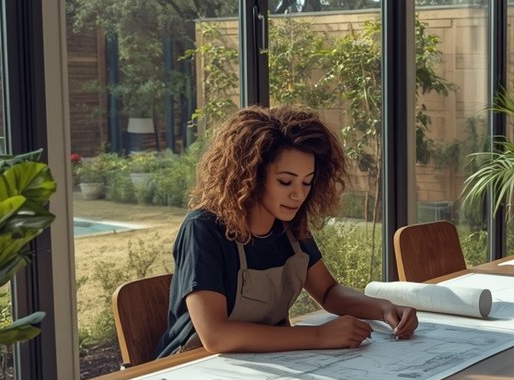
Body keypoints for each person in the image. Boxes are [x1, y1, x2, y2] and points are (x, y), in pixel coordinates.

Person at [155, 106, 418, 358]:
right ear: (252, 174)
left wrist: (384, 308)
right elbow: (215, 336)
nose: (298, 194)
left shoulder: (290, 226)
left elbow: (328, 293)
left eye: (307, 182)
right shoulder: (203, 229)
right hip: (191, 367)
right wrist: (318, 337)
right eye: (285, 181)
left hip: (264, 362)